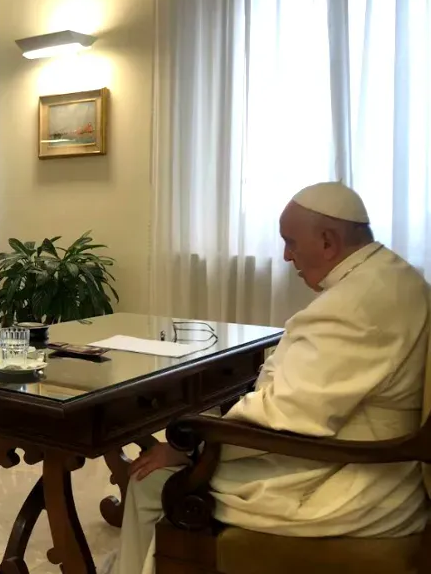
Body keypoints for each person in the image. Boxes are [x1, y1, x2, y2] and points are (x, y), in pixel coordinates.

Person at [111, 182, 430, 574]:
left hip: (348, 487)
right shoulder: (391, 275)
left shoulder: (358, 303)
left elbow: (288, 414)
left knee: (151, 480)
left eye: (290, 242)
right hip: (362, 462)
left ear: (328, 241)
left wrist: (189, 447)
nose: (285, 255)